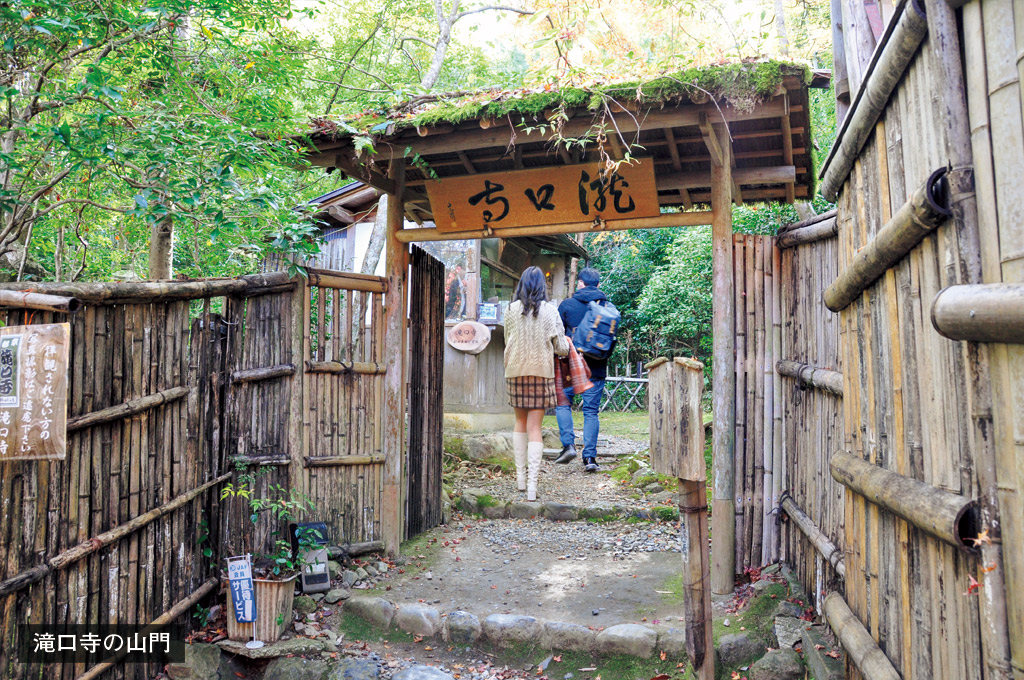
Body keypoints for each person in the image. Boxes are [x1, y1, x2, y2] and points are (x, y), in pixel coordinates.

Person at [503, 266, 569, 501]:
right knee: (535, 429)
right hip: (541, 373)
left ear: (521, 284)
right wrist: (567, 344)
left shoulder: (510, 310)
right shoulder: (551, 312)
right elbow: (561, 347)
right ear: (543, 286)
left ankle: (520, 480)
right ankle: (532, 487)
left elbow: (506, 340)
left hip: (515, 370)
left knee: (519, 423)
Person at [554, 267, 615, 472]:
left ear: (580, 283)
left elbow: (559, 339)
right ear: (598, 285)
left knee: (563, 402)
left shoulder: (567, 305)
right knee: (591, 412)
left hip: (570, 367)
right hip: (596, 368)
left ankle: (568, 445)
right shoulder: (608, 307)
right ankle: (590, 459)